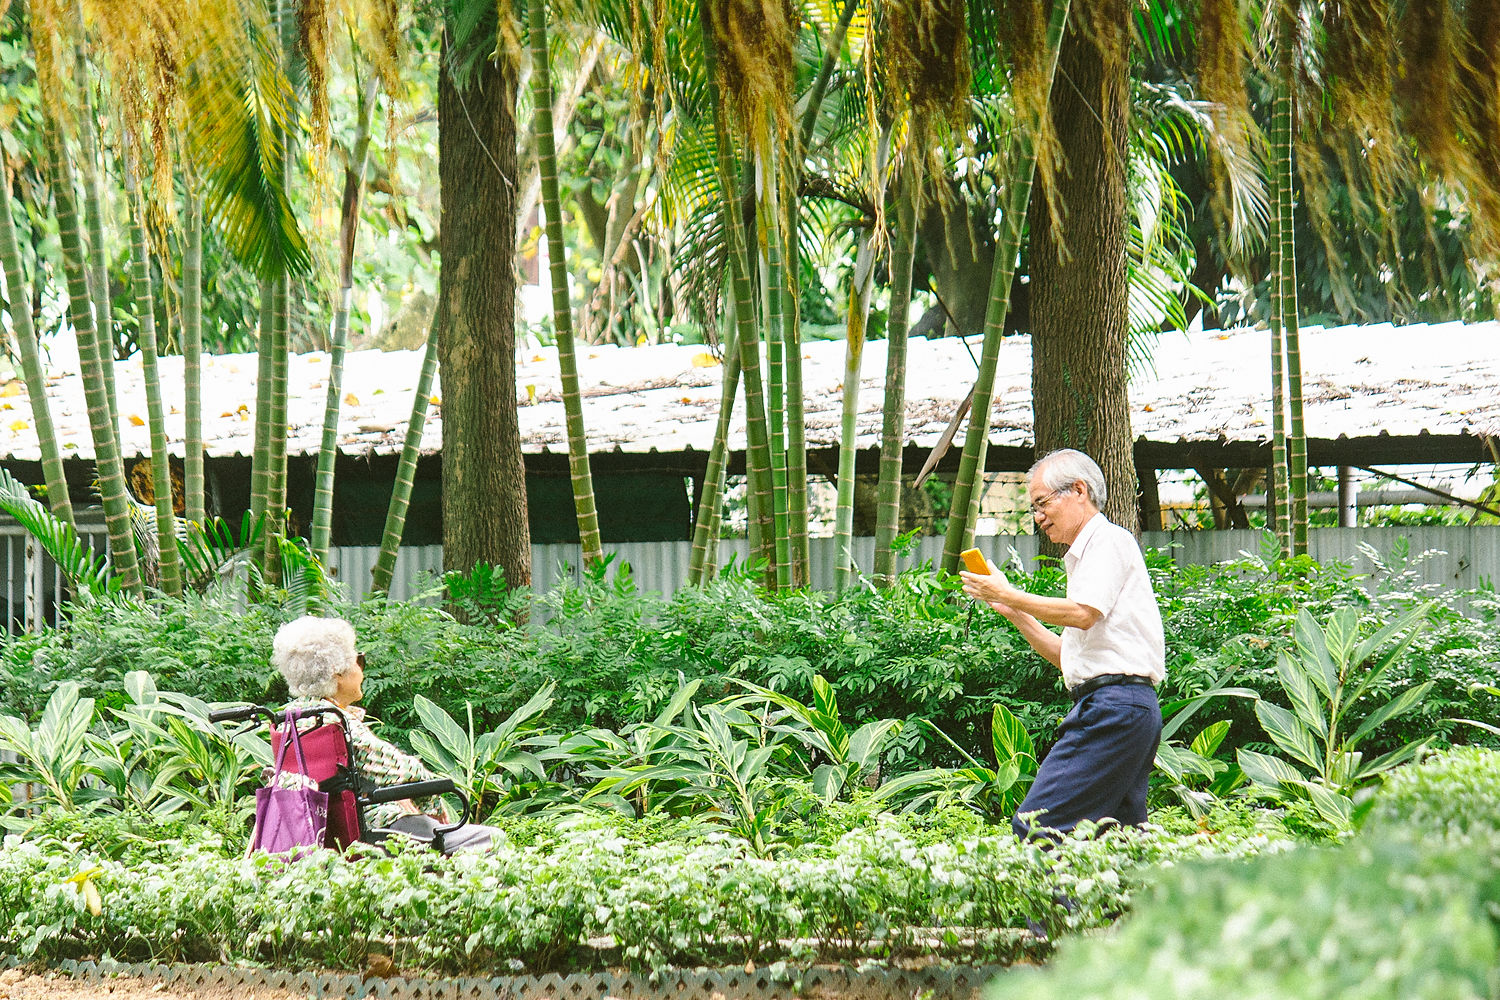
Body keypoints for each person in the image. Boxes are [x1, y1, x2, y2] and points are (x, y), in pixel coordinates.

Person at [960, 448, 1164, 841]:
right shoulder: (1090, 555)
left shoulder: (1108, 542)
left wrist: (1013, 593)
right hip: (1123, 707)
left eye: (1042, 503)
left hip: (1115, 709)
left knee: (1038, 826)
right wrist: (1012, 609)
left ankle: (1053, 904)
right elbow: (1068, 658)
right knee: (1114, 839)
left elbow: (1083, 613)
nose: (1038, 517)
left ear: (1079, 490)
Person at [271, 615, 500, 851]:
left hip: (326, 831)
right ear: (336, 673)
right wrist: (434, 808)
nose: (362, 669)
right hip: (378, 829)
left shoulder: (290, 721)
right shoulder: (337, 723)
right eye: (358, 660)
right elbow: (410, 773)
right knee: (492, 838)